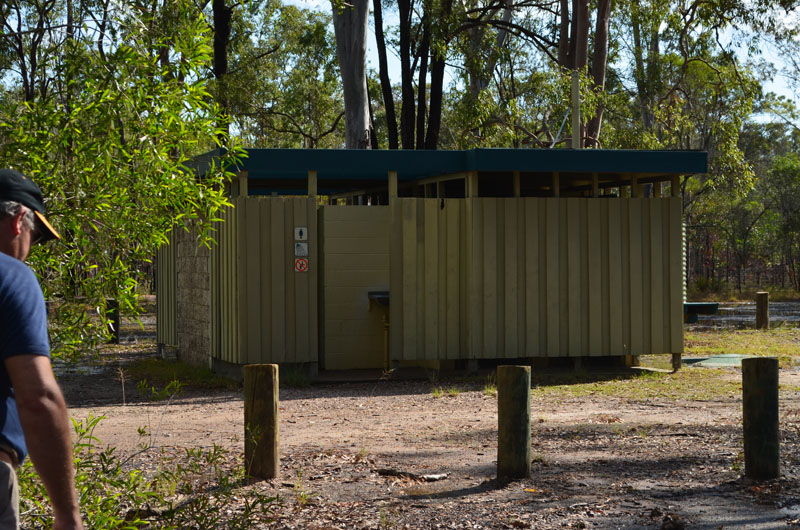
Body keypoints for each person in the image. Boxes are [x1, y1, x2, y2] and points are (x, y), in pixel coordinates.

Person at [0, 169, 83, 529]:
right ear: (19, 220)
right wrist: (67, 514)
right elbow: (38, 398)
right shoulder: (11, 276)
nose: (29, 250)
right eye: (35, 237)